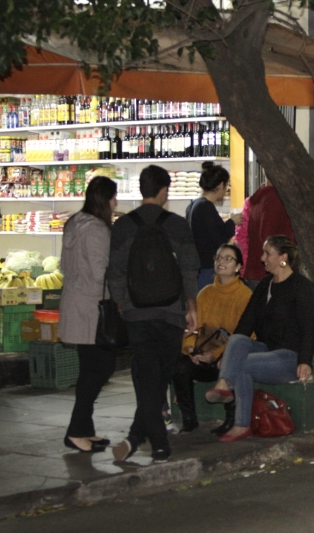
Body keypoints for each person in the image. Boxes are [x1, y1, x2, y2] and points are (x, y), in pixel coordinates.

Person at [108, 165, 200, 464]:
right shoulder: (176, 225)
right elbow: (189, 268)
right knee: (159, 378)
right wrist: (191, 306)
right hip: (171, 313)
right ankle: (158, 445)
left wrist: (123, 304)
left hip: (137, 314)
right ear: (164, 191)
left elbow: (116, 272)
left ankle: (137, 437)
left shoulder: (123, 226)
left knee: (150, 378)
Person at [204, 235, 314, 442]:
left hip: (288, 357)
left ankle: (240, 424)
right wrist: (227, 354)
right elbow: (246, 324)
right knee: (237, 342)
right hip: (266, 349)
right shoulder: (265, 285)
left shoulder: (302, 287)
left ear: (283, 257)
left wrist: (305, 361)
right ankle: (223, 385)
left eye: (267, 253)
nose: (262, 258)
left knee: (244, 364)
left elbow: (309, 327)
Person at [59, 176, 118, 453]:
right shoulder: (96, 229)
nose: (115, 203)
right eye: (113, 198)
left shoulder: (74, 222)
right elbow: (100, 272)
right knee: (99, 369)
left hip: (76, 303)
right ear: (105, 200)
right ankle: (76, 431)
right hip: (92, 308)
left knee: (90, 370)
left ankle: (86, 429)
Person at [172, 244, 251, 435]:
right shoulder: (205, 293)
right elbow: (193, 329)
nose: (221, 262)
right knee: (179, 365)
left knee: (227, 363)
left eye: (227, 258)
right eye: (218, 258)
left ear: (238, 266)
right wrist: (191, 350)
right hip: (202, 355)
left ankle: (231, 419)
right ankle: (189, 419)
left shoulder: (245, 295)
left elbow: (246, 336)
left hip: (226, 356)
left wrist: (214, 355)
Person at [186, 162, 236, 290]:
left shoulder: (193, 205)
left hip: (196, 266)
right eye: (226, 186)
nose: (226, 191)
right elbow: (219, 238)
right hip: (206, 267)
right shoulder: (205, 207)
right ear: (220, 185)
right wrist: (233, 222)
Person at [236, 179, 295, 286]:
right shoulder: (274, 198)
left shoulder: (260, 198)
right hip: (268, 272)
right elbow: (269, 237)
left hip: (255, 269)